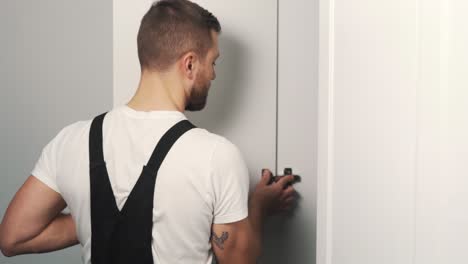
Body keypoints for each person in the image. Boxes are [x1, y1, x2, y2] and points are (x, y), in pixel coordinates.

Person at [0, 0, 297, 263]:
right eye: (213, 62)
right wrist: (258, 207)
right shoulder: (215, 155)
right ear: (190, 64)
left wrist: (95, 217)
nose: (214, 73)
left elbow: (14, 237)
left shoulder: (71, 141)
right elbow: (238, 260)